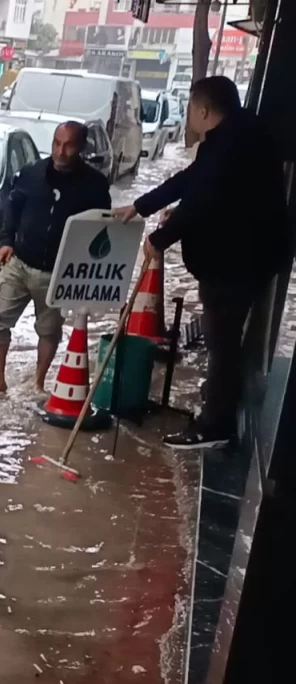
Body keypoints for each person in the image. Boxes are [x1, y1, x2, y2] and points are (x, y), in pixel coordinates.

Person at [113, 76, 286, 449]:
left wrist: (159, 239)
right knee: (224, 339)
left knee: (221, 340)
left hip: (235, 264)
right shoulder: (241, 134)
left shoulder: (230, 145)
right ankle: (220, 400)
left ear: (203, 110)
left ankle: (214, 426)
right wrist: (141, 206)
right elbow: (191, 180)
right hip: (251, 256)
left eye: (191, 108)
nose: (189, 116)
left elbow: (202, 199)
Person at [0, 121, 112, 396]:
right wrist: (6, 241)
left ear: (81, 148)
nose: (60, 151)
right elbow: (12, 207)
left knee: (49, 331)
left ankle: (38, 382)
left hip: (59, 272)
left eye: (68, 146)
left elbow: (100, 227)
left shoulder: (94, 185)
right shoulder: (31, 174)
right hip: (19, 263)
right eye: (56, 143)